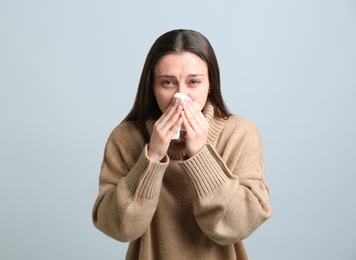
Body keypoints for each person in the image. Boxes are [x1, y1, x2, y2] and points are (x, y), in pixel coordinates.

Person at [92, 29, 271, 260]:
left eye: (194, 82)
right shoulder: (125, 138)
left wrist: (199, 154)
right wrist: (153, 156)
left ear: (211, 85)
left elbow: (237, 225)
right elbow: (122, 227)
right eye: (167, 83)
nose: (181, 96)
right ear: (152, 88)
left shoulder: (240, 134)